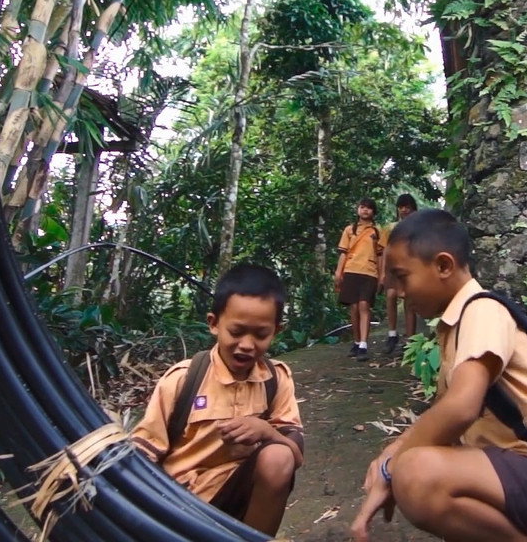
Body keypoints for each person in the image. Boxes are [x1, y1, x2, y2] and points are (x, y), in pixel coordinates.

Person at [350, 210, 527, 542]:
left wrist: (392, 468)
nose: (399, 292)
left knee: (417, 474)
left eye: (402, 276)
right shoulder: (456, 326)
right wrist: (389, 453)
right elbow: (442, 413)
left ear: (444, 266)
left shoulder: (482, 310)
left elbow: (460, 408)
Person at [131, 263, 304, 536]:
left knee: (278, 457)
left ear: (276, 331)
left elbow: (294, 450)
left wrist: (267, 431)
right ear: (214, 323)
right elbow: (144, 452)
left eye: (260, 335)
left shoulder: (276, 379)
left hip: (237, 498)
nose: (247, 345)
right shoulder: (184, 379)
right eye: (236, 332)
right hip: (179, 503)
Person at [334, 198, 384, 362]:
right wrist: (338, 272)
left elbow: (380, 255)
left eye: (369, 208)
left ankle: (363, 344)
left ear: (373, 212)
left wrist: (382, 275)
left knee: (364, 305)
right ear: (358, 210)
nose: (365, 210)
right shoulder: (350, 230)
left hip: (369, 272)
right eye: (362, 207)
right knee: (354, 308)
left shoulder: (377, 231)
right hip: (351, 270)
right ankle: (356, 342)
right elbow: (343, 253)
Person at [379, 193, 420, 355]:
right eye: (401, 207)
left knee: (409, 303)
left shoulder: (419, 227)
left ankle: (410, 340)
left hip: (410, 268)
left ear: (413, 209)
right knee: (390, 296)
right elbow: (385, 250)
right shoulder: (391, 227)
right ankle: (392, 334)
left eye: (407, 207)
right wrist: (382, 272)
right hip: (393, 267)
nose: (404, 210)